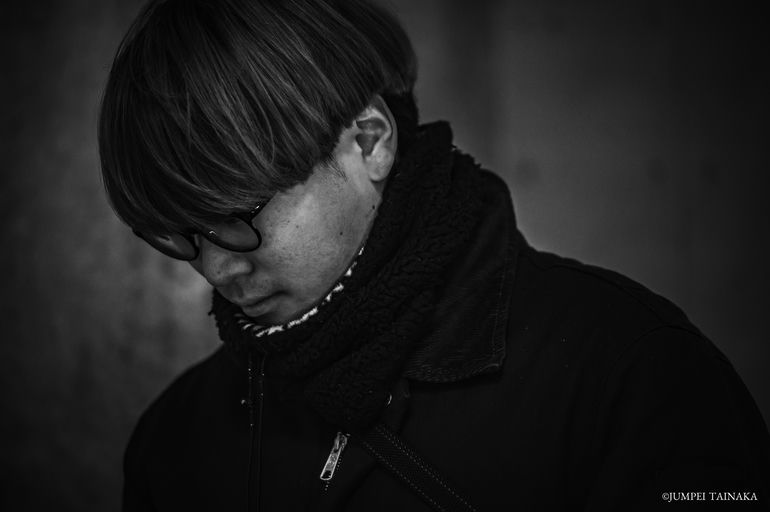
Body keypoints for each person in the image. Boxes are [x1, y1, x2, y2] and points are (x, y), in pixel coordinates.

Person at [98, 0, 770, 510]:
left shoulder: (633, 375)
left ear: (368, 142)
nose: (216, 269)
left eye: (237, 218)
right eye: (180, 235)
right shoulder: (175, 440)